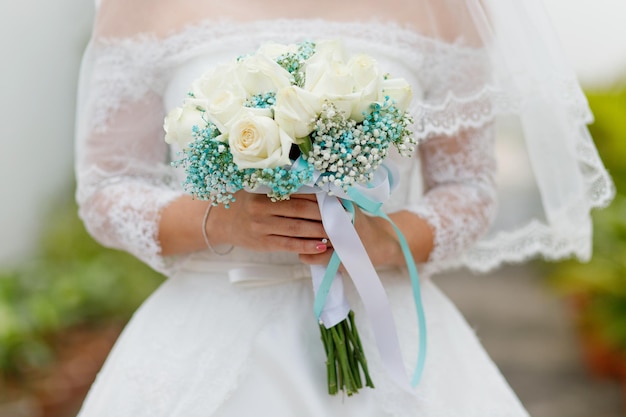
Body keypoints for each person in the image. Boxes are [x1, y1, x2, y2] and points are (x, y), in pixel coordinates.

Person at [74, 0, 613, 416]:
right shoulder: (141, 7)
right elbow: (106, 189)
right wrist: (224, 220)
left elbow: (469, 190)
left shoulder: (442, 8)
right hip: (211, 318)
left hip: (381, 313)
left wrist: (382, 238)